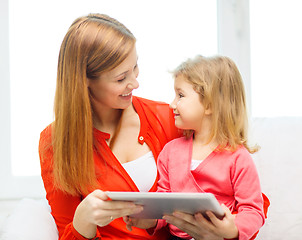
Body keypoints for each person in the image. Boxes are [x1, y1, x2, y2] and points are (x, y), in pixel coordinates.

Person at [39, 13, 224, 240]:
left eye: (135, 67)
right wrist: (83, 221)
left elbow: (237, 185)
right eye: (121, 78)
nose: (135, 82)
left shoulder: (169, 118)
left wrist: (226, 229)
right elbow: (66, 232)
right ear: (84, 80)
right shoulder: (55, 142)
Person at [124, 55, 269, 240]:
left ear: (209, 104)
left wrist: (232, 230)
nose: (172, 104)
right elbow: (165, 205)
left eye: (181, 95)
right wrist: (149, 220)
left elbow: (253, 211)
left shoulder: (238, 158)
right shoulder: (170, 152)